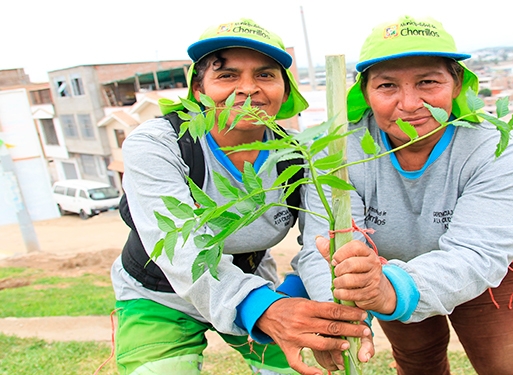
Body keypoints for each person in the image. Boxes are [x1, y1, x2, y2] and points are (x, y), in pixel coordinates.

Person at [110, 18, 372, 375]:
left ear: (284, 88)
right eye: (227, 76)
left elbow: (320, 245)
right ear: (199, 91)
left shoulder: (300, 153)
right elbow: (182, 249)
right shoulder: (159, 144)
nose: (248, 89)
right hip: (159, 291)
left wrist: (329, 314)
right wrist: (263, 308)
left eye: (265, 75)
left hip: (252, 284)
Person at [296, 15, 513, 375]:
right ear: (365, 92)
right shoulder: (337, 148)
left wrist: (391, 289)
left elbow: (477, 252)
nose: (410, 103)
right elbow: (327, 244)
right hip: (381, 273)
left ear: (457, 83)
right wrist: (338, 313)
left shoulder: (497, 148)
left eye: (428, 82)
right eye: (387, 86)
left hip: (476, 273)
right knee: (419, 362)